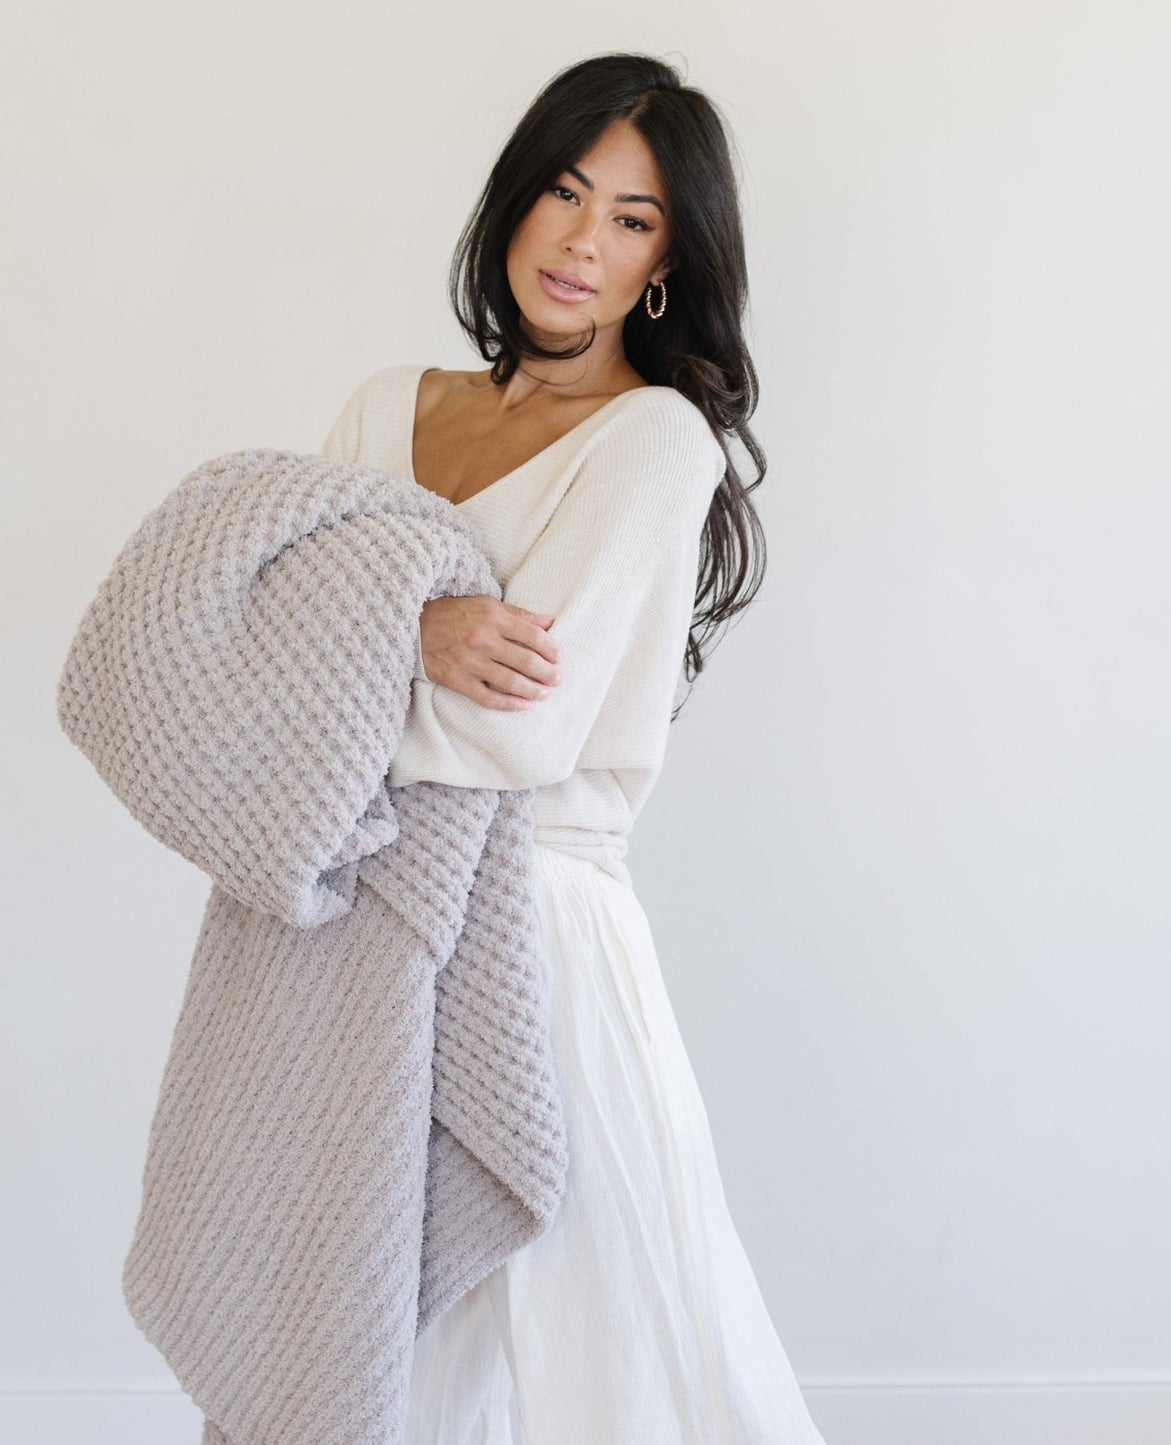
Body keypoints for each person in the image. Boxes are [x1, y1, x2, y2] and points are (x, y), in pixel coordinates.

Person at [318, 52, 829, 1445]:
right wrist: (417, 630)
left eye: (632, 217)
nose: (581, 241)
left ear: (665, 262)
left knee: (613, 1343)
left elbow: (514, 726)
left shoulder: (656, 441)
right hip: (363, 926)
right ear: (514, 200)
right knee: (379, 1340)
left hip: (538, 932)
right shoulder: (383, 410)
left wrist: (347, 660)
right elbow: (258, 656)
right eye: (563, 190)